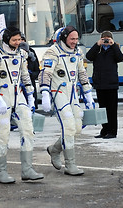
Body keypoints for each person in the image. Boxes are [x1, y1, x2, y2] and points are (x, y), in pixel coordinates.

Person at [0, 27, 43, 184]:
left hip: (19, 98)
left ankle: (27, 169)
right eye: (14, 40)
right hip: (1, 99)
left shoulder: (22, 54)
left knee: (28, 131)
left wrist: (30, 95)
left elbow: (25, 75)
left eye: (19, 40)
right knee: (3, 135)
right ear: (6, 39)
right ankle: (1, 171)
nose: (17, 43)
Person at [40, 26, 94, 176]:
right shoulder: (53, 52)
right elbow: (46, 73)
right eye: (72, 39)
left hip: (72, 93)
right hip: (58, 93)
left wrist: (88, 92)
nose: (75, 42)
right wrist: (44, 92)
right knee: (69, 126)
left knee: (77, 127)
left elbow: (82, 72)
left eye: (76, 39)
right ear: (64, 38)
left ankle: (54, 149)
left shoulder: (77, 52)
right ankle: (70, 165)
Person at [86, 31, 123, 139]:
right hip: (100, 84)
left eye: (108, 38)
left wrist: (114, 45)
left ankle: (112, 131)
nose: (106, 41)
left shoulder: (114, 49)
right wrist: (97, 45)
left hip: (111, 84)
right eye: (104, 39)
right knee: (102, 110)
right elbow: (89, 56)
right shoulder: (97, 50)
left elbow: (120, 58)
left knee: (112, 110)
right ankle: (104, 130)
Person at [20, 34, 40, 109]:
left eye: (23, 40)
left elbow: (37, 70)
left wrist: (31, 75)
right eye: (19, 40)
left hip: (30, 84)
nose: (21, 42)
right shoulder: (14, 54)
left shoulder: (32, 53)